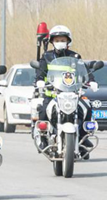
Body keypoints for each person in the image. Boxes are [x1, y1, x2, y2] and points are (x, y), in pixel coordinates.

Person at [34, 25, 97, 158]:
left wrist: (91, 81)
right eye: (57, 40)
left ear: (68, 41)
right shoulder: (46, 56)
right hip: (53, 95)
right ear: (52, 41)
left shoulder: (75, 56)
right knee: (43, 111)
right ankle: (43, 139)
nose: (60, 42)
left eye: (62, 40)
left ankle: (83, 138)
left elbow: (84, 71)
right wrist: (39, 81)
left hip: (72, 95)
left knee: (86, 108)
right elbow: (41, 72)